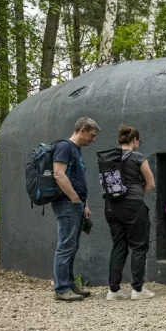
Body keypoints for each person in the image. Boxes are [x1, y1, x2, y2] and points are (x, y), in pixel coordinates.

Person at [105, 125, 157, 301]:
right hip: (133, 205)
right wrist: (138, 194)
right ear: (134, 140)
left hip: (111, 206)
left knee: (118, 245)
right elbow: (151, 184)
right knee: (139, 246)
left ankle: (113, 290)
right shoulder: (138, 157)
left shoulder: (109, 157)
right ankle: (137, 289)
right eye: (138, 141)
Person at [52, 117, 99, 301]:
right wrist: (74, 199)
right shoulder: (64, 147)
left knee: (72, 246)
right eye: (92, 135)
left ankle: (70, 285)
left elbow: (77, 180)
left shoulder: (76, 150)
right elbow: (58, 174)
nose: (93, 140)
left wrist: (84, 204)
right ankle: (62, 289)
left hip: (76, 204)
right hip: (67, 204)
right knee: (65, 246)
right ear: (82, 130)